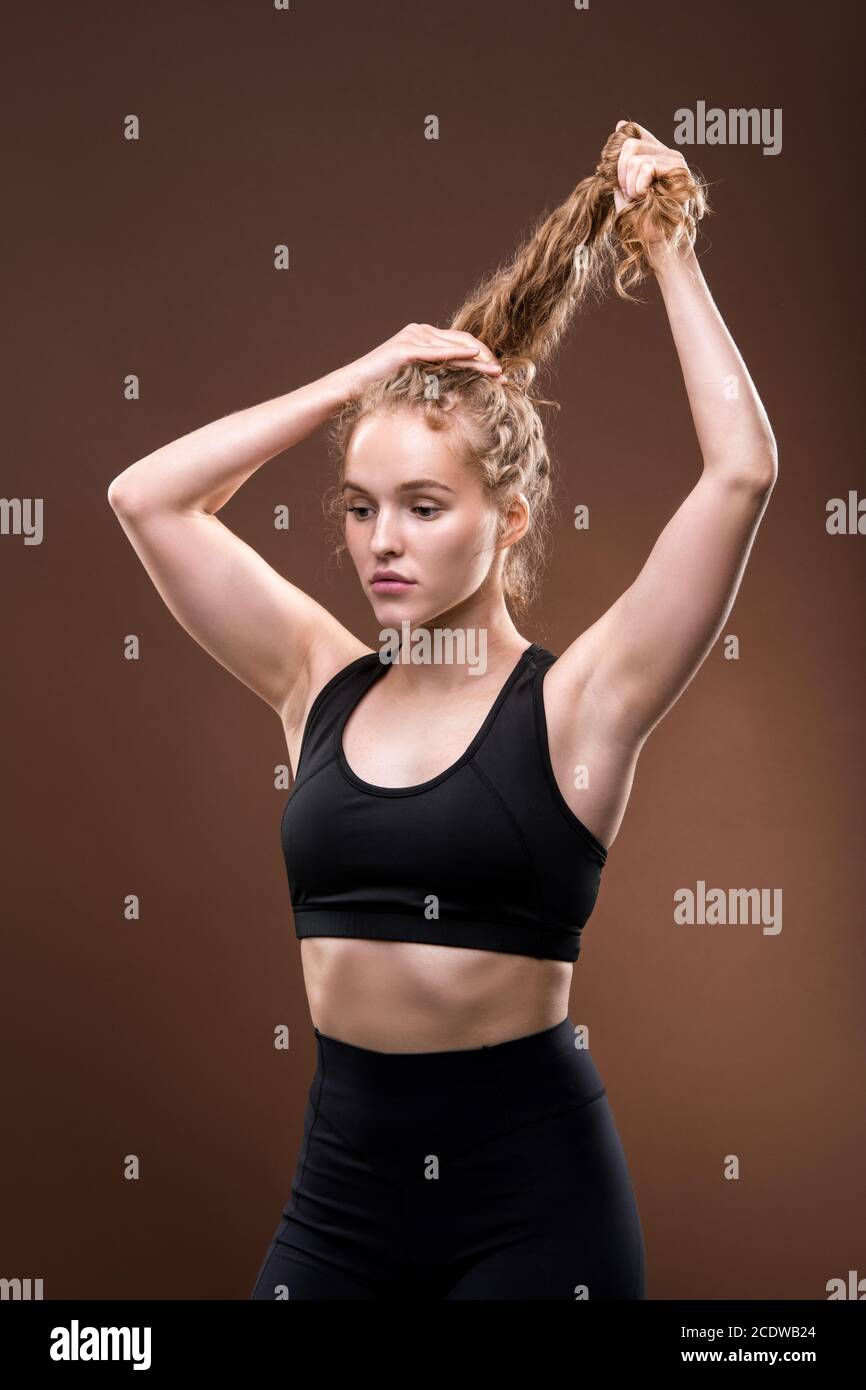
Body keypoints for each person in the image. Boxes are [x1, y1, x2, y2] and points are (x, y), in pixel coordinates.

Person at [107, 119, 777, 1300]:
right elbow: (147, 500)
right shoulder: (317, 679)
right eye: (361, 508)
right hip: (340, 1201)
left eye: (422, 505)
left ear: (507, 521)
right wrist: (356, 384)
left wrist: (666, 245)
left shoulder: (579, 704)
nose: (381, 543)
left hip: (532, 1212)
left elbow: (740, 473)